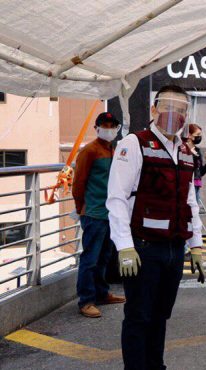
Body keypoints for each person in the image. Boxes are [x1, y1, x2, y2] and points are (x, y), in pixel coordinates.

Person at [107, 85, 205, 370]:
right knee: (139, 316)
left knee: (161, 315)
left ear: (187, 114)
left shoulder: (186, 152)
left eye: (181, 110)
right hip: (144, 248)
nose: (174, 114)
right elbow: (116, 198)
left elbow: (190, 202)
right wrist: (124, 246)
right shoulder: (134, 144)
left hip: (174, 248)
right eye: (167, 107)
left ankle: (155, 366)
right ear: (153, 110)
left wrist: (195, 246)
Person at [72, 112, 126, 318]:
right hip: (94, 213)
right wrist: (80, 209)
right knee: (90, 258)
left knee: (104, 257)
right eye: (105, 125)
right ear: (97, 128)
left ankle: (101, 293)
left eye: (113, 125)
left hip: (109, 212)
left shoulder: (114, 150)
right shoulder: (90, 151)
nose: (109, 128)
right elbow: (78, 183)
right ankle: (86, 300)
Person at [186, 123, 206, 204]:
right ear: (189, 135)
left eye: (200, 135)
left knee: (195, 209)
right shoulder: (184, 149)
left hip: (196, 183)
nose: (199, 137)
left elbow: (200, 171)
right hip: (188, 184)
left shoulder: (197, 150)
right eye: (197, 134)